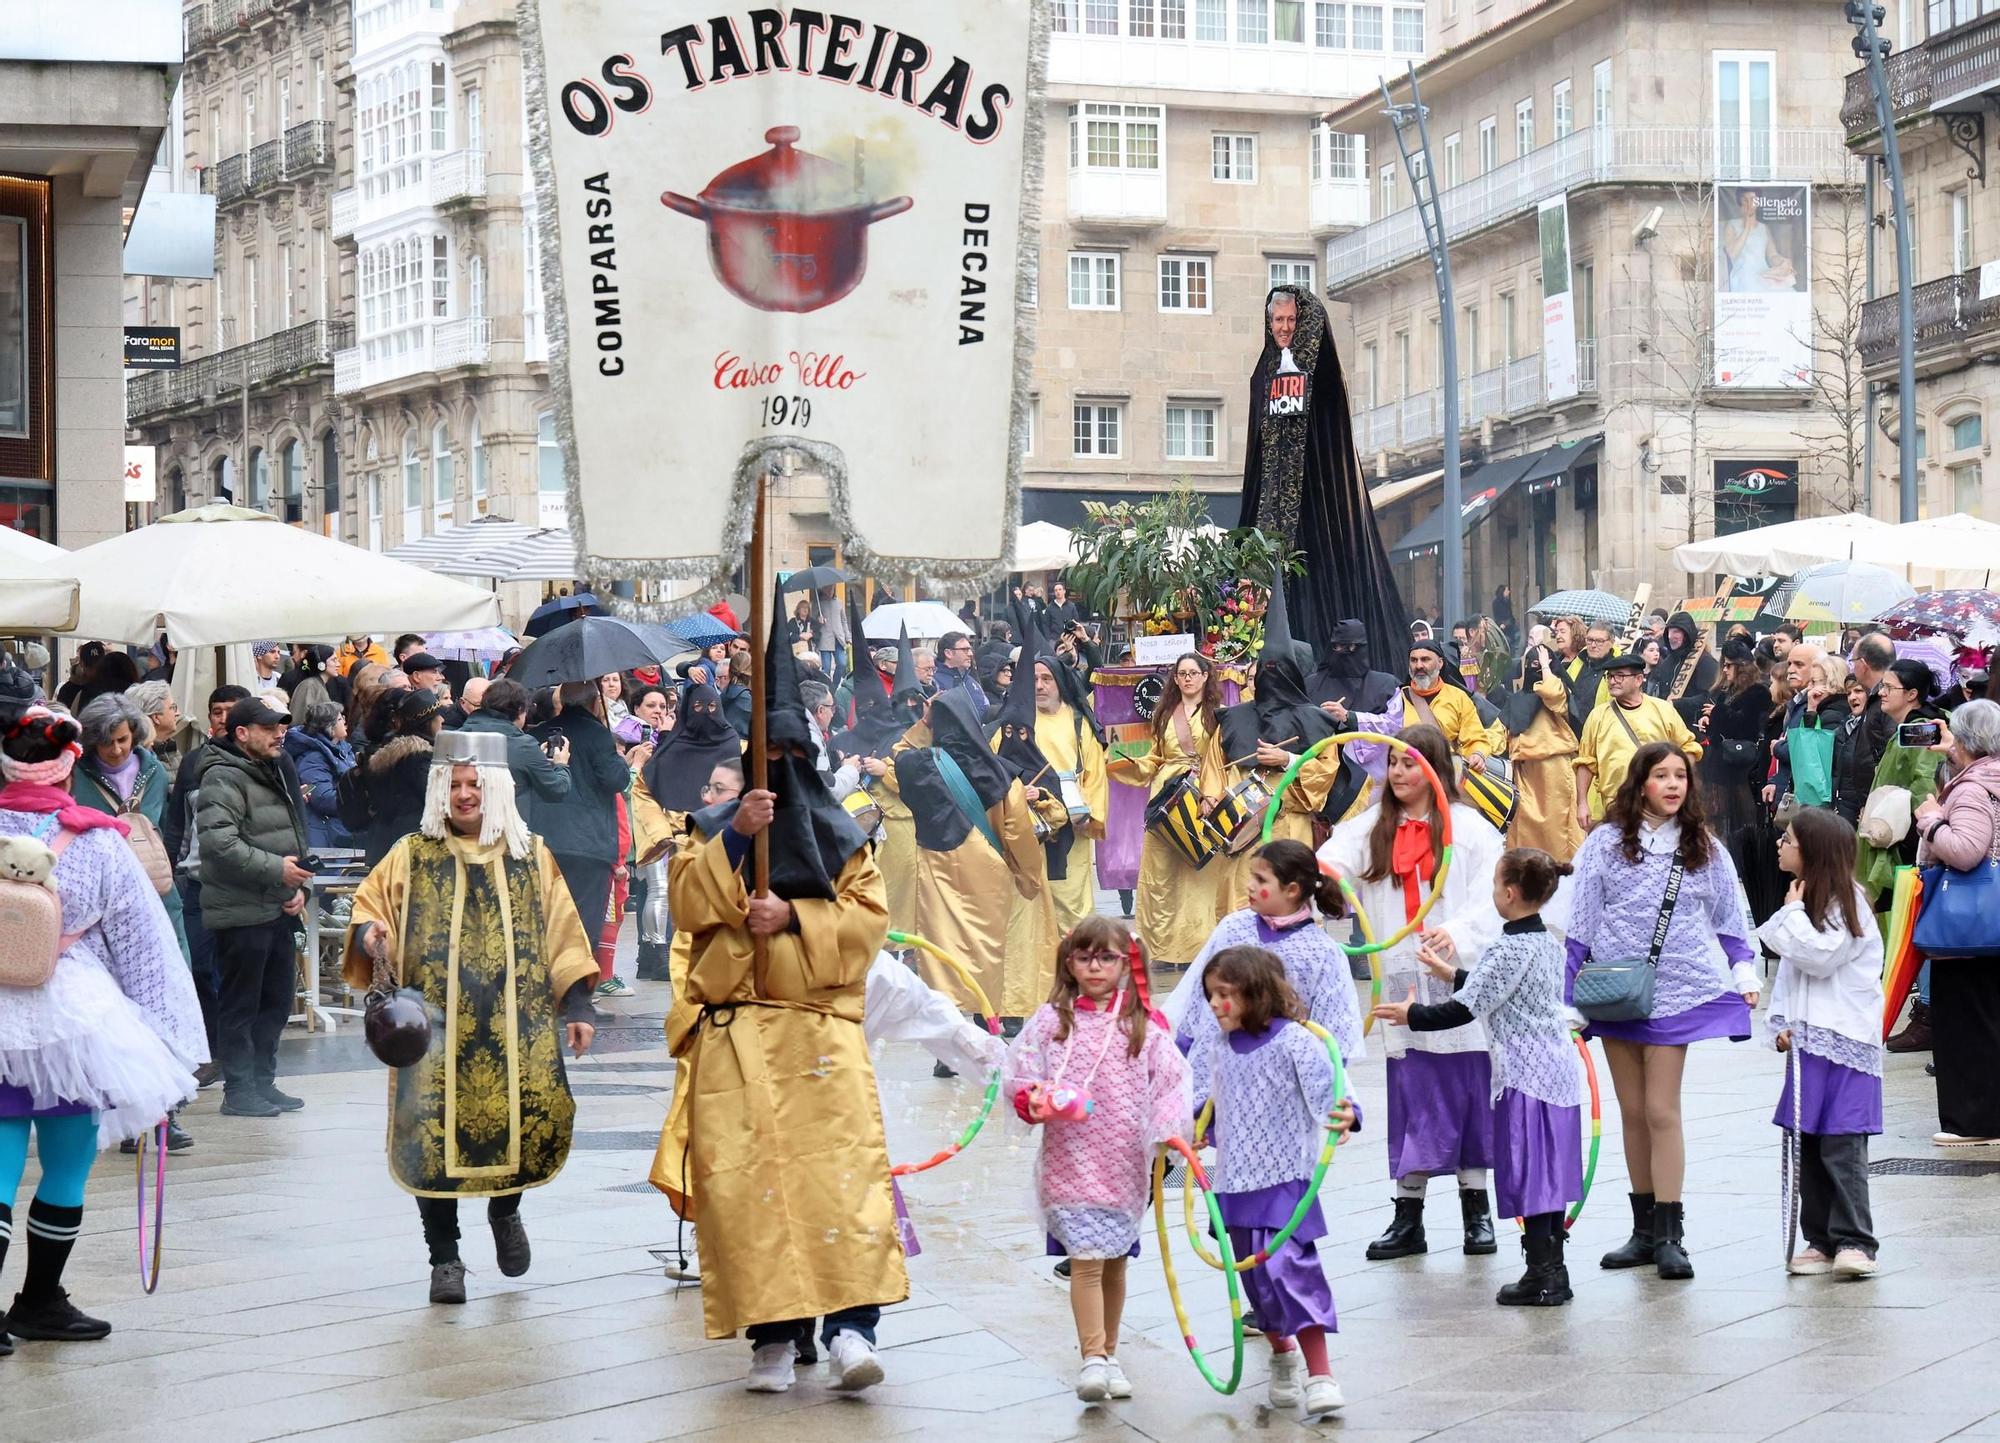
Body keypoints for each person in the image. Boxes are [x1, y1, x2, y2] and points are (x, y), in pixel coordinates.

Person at [668, 600, 904, 1390]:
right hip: (739, 1038)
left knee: (840, 1180)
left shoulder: (846, 838)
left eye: (792, 754)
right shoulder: (712, 831)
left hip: (818, 1034)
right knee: (750, 1188)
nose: (784, 767)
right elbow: (689, 907)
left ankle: (851, 1331)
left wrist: (793, 914)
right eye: (770, 755)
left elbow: (868, 924)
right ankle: (771, 1335)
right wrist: (736, 837)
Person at [342, 730, 597, 1302]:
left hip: (518, 1028)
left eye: (474, 784)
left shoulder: (532, 857)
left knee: (521, 1127)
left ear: (497, 788)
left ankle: (506, 1214)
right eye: (454, 784)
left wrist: (577, 1002)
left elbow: (563, 929)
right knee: (429, 1143)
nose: (463, 795)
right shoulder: (411, 853)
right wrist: (369, 933)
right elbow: (369, 905)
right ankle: (445, 1259)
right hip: (433, 1034)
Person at [0, 680, 206, 1351]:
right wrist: (164, 1042)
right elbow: (146, 948)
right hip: (78, 1023)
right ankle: (39, 1300)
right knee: (65, 1167)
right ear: (68, 765)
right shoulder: (99, 843)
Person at [1565, 742, 1761, 1279]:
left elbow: (1730, 916)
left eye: (1681, 776)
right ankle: (1644, 1230)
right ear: (1640, 783)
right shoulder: (1604, 843)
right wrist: (1568, 999)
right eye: (1661, 776)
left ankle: (1673, 1232)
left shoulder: (1704, 846)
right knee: (1631, 1111)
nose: (1674, 785)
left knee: (1660, 1109)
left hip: (1677, 988)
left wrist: (1743, 969)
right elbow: (1580, 922)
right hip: (1614, 988)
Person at [1319, 724, 1505, 1260]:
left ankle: (1477, 1212)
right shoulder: (1372, 827)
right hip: (1399, 973)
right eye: (1393, 763)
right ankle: (1409, 1215)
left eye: (1410, 763)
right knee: (1413, 1093)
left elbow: (1494, 894)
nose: (1399, 773)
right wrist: (1321, 879)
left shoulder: (1468, 827)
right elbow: (1332, 860)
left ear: (1435, 767)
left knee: (1469, 1091)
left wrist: (1461, 933)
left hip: (1455, 976)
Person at [1375, 847, 1582, 1307]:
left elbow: (1465, 1008)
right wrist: (1452, 973)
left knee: (1532, 1174)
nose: (1492, 893)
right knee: (1548, 1174)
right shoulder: (1546, 940)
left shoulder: (1507, 947)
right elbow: (1494, 986)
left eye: (1493, 885)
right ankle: (1553, 1270)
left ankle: (1542, 1273)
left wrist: (1413, 1015)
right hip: (1559, 1075)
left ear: (1509, 893)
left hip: (1527, 1077)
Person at [1005, 918, 1190, 1404]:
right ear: (1069, 962)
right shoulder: (1051, 1020)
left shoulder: (1143, 1026)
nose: (1095, 966)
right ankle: (1092, 1357)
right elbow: (1020, 1073)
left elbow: (1171, 1082)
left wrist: (1168, 1131)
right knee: (1086, 1261)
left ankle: (1108, 1353)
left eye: (1107, 957)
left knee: (1114, 1265)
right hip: (1070, 1160)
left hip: (1125, 1163)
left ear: (1127, 964)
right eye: (1085, 957)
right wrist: (1031, 1099)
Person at [1197, 946, 1357, 1419]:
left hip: (1286, 1179)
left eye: (1224, 994)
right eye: (1210, 995)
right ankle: (1282, 1353)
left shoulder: (1295, 1041)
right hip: (1234, 1183)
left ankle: (1321, 1373)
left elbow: (1330, 1089)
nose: (1214, 1004)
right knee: (1257, 1283)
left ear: (1254, 993)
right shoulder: (1220, 1048)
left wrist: (1346, 1113)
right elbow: (1213, 1106)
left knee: (1292, 1270)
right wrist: (1196, 1128)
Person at [1238, 283, 1408, 660]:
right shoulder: (1262, 375)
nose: (1284, 327)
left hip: (1317, 501)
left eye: (1291, 320)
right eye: (1277, 320)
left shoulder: (1323, 376)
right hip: (1271, 502)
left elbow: (1329, 439)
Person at [1758, 809, 1883, 1277]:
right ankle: (1821, 1239)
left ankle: (1856, 1239)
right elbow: (1789, 976)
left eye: (1787, 838)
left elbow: (1820, 956)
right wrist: (1779, 1024)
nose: (1780, 845)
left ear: (1812, 850)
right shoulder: (1807, 901)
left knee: (1842, 1141)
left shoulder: (1847, 902)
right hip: (1809, 1044)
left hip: (1847, 1043)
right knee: (1807, 1139)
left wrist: (1791, 911)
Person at [70, 694, 195, 1153]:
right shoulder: (74, 774)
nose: (117, 751)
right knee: (113, 1009)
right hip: (100, 905)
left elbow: (165, 826)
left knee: (163, 998)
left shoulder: (155, 771)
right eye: (106, 744)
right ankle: (120, 1113)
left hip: (157, 896)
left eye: (122, 740)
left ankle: (165, 1114)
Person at [1167, 839, 1366, 1092]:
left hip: (1277, 1088)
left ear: (1292, 890)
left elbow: (1335, 1034)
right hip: (1213, 1079)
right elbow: (1197, 1002)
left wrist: (1329, 1094)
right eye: (1252, 877)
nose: (1249, 886)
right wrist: (1178, 1060)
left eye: (1260, 881)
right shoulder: (1232, 929)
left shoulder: (1322, 954)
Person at [196, 695, 313, 1120]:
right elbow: (218, 842)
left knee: (277, 998)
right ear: (242, 733)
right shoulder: (221, 776)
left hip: (277, 906)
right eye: (268, 727)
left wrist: (299, 886)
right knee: (241, 1002)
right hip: (240, 910)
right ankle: (239, 1088)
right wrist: (276, 871)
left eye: (280, 725)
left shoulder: (272, 768)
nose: (279, 732)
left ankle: (264, 1081)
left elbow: (290, 835)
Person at [895, 689, 1044, 1021]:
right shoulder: (1001, 774)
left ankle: (945, 1029)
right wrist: (1029, 878)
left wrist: (924, 722)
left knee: (939, 949)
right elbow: (1018, 832)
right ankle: (986, 1019)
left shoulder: (914, 766)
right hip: (987, 868)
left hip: (936, 867)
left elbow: (899, 752)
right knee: (985, 946)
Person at [1913, 700, 2000, 1146]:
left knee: (1964, 1025)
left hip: (1967, 929)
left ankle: (1974, 1122)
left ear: (1966, 739)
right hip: (1991, 925)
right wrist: (1954, 755)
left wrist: (1930, 822)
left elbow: (1967, 851)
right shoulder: (1992, 776)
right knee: (1988, 1019)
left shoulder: (1970, 790)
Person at [1110, 652, 1225, 968]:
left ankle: (1196, 946)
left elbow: (1221, 761)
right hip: (1165, 795)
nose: (1187, 678)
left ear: (1205, 676)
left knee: (1197, 871)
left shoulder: (1218, 715)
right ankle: (1160, 949)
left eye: (1193, 673)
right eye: (1182, 673)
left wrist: (1210, 794)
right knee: (1161, 871)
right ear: (1175, 679)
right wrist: (1133, 765)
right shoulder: (1164, 714)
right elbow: (1155, 758)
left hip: (1203, 794)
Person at [532, 681, 627, 951]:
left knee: (550, 916)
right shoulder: (598, 734)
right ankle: (578, 982)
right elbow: (615, 780)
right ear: (594, 702)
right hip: (589, 841)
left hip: (546, 837)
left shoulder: (540, 732)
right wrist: (620, 758)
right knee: (584, 919)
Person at [1574, 653, 1702, 830]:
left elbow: (1689, 748)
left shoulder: (1662, 710)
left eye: (1619, 676)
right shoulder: (1597, 716)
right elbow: (1585, 763)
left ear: (1638, 679)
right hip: (1616, 806)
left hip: (1658, 804)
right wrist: (1582, 803)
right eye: (1609, 676)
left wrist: (1677, 780)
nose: (1613, 681)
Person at [1502, 642, 1585, 861]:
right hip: (1526, 773)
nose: (1537, 668)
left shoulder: (1558, 691)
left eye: (1544, 663)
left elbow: (1553, 693)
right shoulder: (1517, 700)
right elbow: (1499, 731)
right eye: (1534, 664)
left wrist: (1547, 668)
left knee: (1557, 830)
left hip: (1555, 769)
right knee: (1525, 827)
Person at [457, 678, 573, 833]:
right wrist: (561, 764)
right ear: (520, 710)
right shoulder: (524, 746)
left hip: (460, 831)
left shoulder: (454, 737)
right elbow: (557, 790)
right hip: (507, 836)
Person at [358, 689, 444, 867]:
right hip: (409, 847)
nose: (442, 720)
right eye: (438, 716)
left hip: (382, 844)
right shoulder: (419, 758)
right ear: (427, 723)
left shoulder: (385, 750)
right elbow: (435, 798)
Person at [1832, 633, 1898, 826]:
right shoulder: (1877, 697)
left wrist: (1875, 801)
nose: (1852, 667)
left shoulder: (1887, 699)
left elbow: (1890, 753)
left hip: (1881, 806)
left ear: (1863, 664)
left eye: (1852, 661)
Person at [1400, 638, 1491, 767]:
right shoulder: (1397, 699)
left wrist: (1477, 754)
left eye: (1425, 659)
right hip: (1407, 774)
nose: (1419, 666)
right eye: (1414, 660)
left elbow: (1476, 738)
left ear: (1440, 663)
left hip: (1445, 776)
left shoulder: (1458, 698)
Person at [284, 700, 358, 852]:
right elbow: (322, 798)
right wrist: (360, 801)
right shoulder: (314, 757)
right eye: (339, 718)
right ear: (329, 727)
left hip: (343, 831)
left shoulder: (341, 748)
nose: (344, 720)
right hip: (328, 837)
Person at [1306, 619, 1401, 715]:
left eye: (1348, 647)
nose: (1340, 651)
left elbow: (1396, 723)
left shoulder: (1386, 685)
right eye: (1336, 646)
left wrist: (1350, 718)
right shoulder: (1311, 685)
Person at [1647, 612, 1719, 725]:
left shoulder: (1704, 661)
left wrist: (1677, 704)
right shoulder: (1667, 663)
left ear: (1687, 634)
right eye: (1669, 631)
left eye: (1676, 631)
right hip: (1667, 724)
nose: (1671, 636)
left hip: (1694, 726)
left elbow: (1709, 697)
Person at [126, 680, 183, 771]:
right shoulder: (139, 760)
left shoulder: (171, 749)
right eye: (172, 707)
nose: (178, 713)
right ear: (156, 718)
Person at [933, 630, 989, 720]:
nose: (970, 654)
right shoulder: (934, 681)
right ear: (948, 653)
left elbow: (984, 706)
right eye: (965, 650)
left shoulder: (970, 679)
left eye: (970, 649)